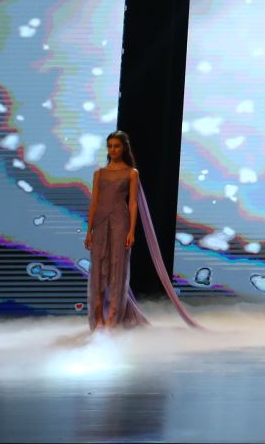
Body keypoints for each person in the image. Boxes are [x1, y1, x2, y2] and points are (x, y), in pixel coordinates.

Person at [84, 130, 199, 330]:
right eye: (110, 146)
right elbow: (94, 203)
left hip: (120, 222)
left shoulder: (131, 173)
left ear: (124, 148)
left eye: (117, 146)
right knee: (98, 271)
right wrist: (89, 231)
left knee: (118, 269)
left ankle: (113, 318)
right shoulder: (99, 174)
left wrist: (131, 231)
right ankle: (98, 317)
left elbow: (133, 203)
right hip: (101, 223)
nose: (113, 150)